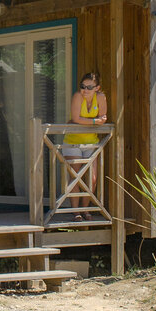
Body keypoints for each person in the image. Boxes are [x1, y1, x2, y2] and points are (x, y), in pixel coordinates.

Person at [63, 72, 108, 220]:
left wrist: (85, 121)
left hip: (91, 142)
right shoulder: (77, 96)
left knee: (92, 178)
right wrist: (94, 122)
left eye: (90, 87)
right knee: (75, 176)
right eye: (83, 86)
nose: (85, 90)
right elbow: (76, 119)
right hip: (72, 141)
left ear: (97, 88)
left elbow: (104, 118)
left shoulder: (101, 97)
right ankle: (76, 211)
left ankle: (86, 209)